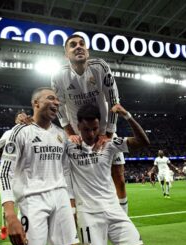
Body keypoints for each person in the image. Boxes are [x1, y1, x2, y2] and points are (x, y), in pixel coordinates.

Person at [51, 34, 129, 214]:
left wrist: (108, 135)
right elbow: (59, 107)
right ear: (66, 54)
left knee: (119, 176)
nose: (78, 47)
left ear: (87, 50)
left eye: (82, 44)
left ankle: (125, 217)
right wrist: (70, 132)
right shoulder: (58, 75)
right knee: (74, 179)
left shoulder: (100, 67)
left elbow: (114, 101)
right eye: (72, 45)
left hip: (102, 130)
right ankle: (78, 221)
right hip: (78, 134)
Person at [0, 87, 78, 245]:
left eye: (57, 100)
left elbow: (66, 171)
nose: (56, 102)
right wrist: (10, 214)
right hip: (32, 200)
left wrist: (71, 204)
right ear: (35, 103)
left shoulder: (61, 135)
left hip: (60, 196)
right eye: (51, 98)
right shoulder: (19, 132)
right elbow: (5, 173)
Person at [67, 103, 149, 245]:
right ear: (78, 126)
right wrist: (24, 121)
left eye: (94, 129)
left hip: (114, 210)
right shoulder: (68, 146)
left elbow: (143, 141)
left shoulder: (108, 144)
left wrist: (126, 115)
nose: (91, 134)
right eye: (86, 129)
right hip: (88, 215)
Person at [0, 110, 32, 240]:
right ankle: (4, 226)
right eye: (19, 116)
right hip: (11, 173)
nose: (22, 117)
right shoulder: (9, 133)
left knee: (22, 208)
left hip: (26, 176)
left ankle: (23, 233)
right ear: (15, 120)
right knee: (9, 203)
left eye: (24, 115)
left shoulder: (31, 130)